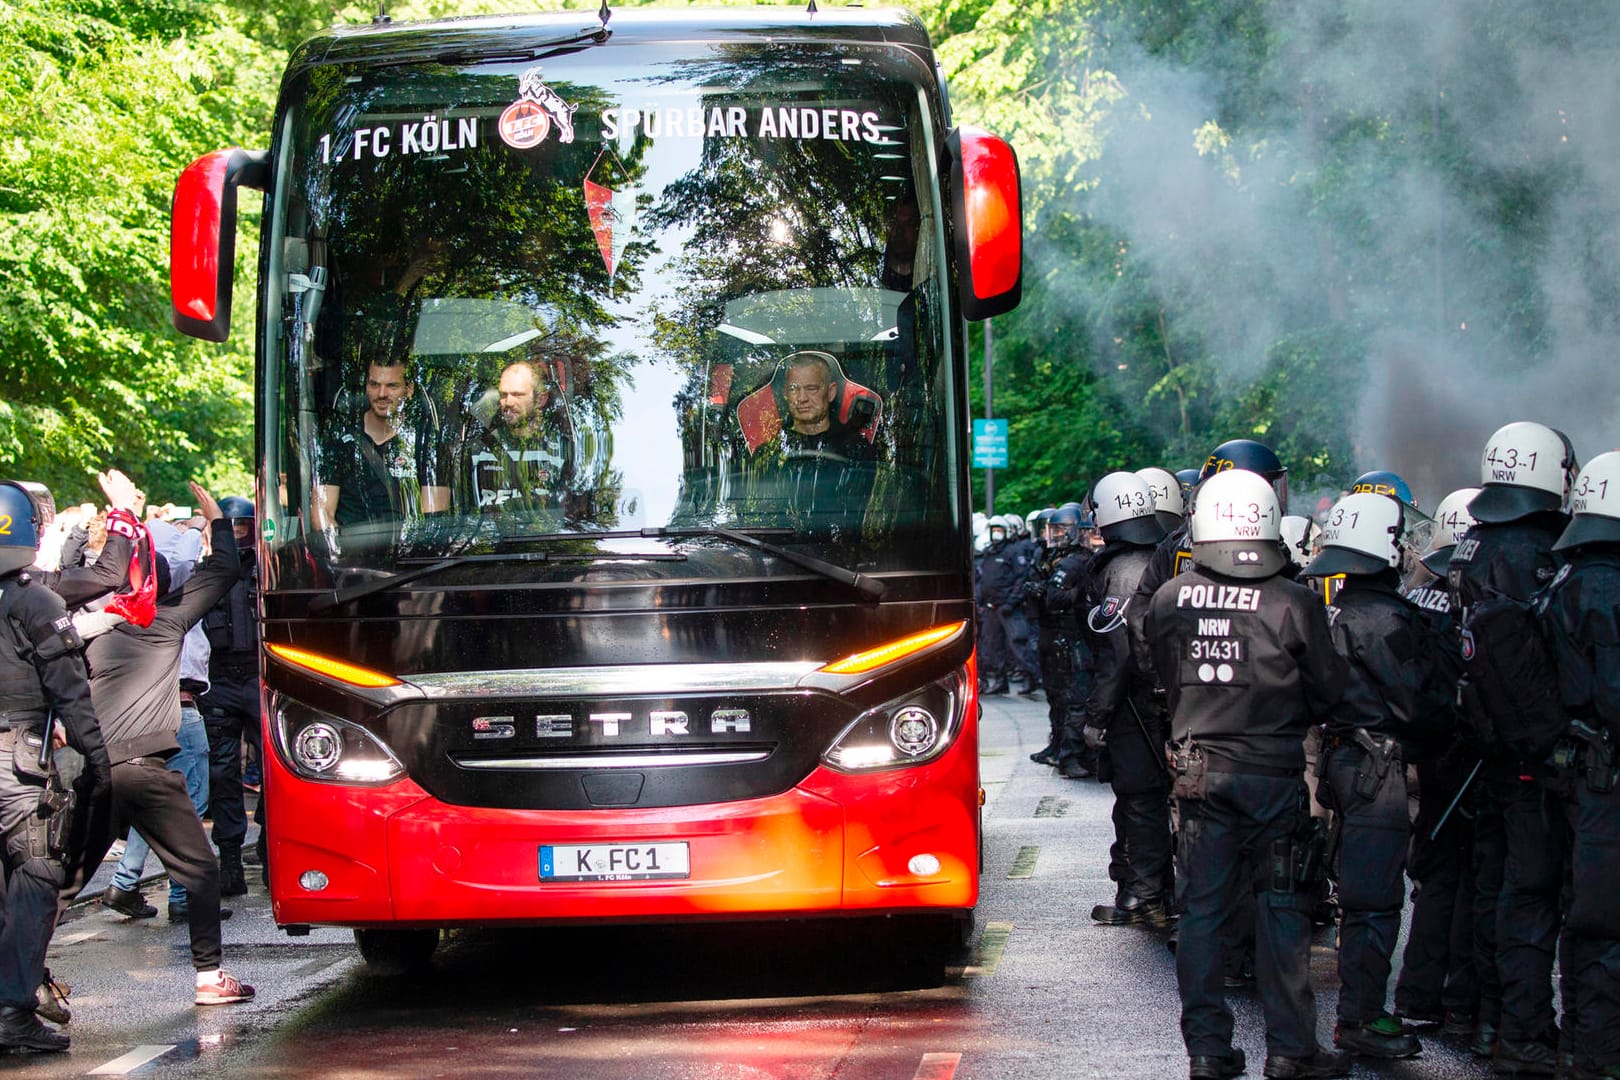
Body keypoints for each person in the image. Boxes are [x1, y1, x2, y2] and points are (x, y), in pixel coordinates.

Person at [1144, 467, 1350, 1080]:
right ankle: (1290, 1050)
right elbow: (1330, 691)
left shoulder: (1170, 597)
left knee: (1202, 915)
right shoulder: (1294, 600)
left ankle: (1207, 1050)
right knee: (1282, 912)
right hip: (1274, 777)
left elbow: (1155, 669)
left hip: (1200, 779)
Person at [67, 482, 254, 1006]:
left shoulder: (88, 629)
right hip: (146, 767)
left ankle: (24, 978)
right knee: (200, 869)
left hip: (96, 766)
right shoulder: (162, 624)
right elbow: (223, 571)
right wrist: (216, 521)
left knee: (65, 880)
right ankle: (209, 976)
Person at [1447, 420, 1576, 1069]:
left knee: (1493, 881)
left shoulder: (1473, 541)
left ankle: (1490, 1019)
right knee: (1529, 890)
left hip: (1482, 743)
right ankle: (1521, 1031)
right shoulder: (1533, 550)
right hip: (1529, 750)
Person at [1302, 492, 1436, 1059]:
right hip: (1378, 770)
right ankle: (1361, 1017)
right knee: (1376, 900)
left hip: (1340, 760)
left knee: (1357, 891)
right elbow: (1415, 705)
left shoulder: (1332, 611)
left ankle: (1357, 1014)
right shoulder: (1386, 620)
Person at [0, 481, 111, 1051]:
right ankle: (13, 1013)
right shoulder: (33, 601)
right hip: (16, 761)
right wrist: (97, 761)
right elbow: (71, 692)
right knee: (38, 875)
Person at [1540, 450, 1620, 1080]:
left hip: (1574, 768)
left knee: (1582, 910)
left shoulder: (1568, 577)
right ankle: (1597, 1054)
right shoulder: (1607, 585)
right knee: (1603, 920)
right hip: (1605, 775)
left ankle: (1579, 1040)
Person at [101, 519, 220, 923]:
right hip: (178, 712)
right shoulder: (171, 610)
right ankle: (182, 898)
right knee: (186, 805)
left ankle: (126, 880)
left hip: (137, 722)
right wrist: (204, 523)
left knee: (155, 806)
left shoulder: (115, 615)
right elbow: (192, 560)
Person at [1393, 487, 1480, 1034]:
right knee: (1465, 874)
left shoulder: (1416, 593)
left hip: (1415, 748)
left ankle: (1418, 992)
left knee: (1434, 871)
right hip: (1460, 748)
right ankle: (1457, 998)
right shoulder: (1469, 592)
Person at [1077, 471, 1172, 927]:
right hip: (1167, 698)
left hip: (1136, 704)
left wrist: (1096, 715)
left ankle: (1147, 896)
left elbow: (1117, 652)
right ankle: (1150, 891)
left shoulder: (1122, 570)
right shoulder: (1163, 556)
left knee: (1141, 798)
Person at [199, 495, 261, 898]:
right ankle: (231, 860)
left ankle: (273, 855)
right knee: (223, 776)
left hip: (259, 678)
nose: (237, 533)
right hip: (218, 679)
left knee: (275, 772)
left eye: (244, 527)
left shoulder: (268, 569)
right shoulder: (206, 572)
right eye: (231, 527)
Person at [314, 358, 448, 535]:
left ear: (409, 390)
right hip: (350, 554)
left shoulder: (427, 444)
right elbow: (322, 512)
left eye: (392, 386)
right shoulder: (339, 440)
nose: (382, 394)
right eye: (374, 385)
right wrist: (341, 553)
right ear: (366, 388)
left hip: (410, 554)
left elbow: (433, 522)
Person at [464, 360, 572, 517]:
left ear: (540, 400)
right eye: (503, 395)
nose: (507, 402)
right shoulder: (480, 450)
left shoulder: (561, 451)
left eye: (517, 395)